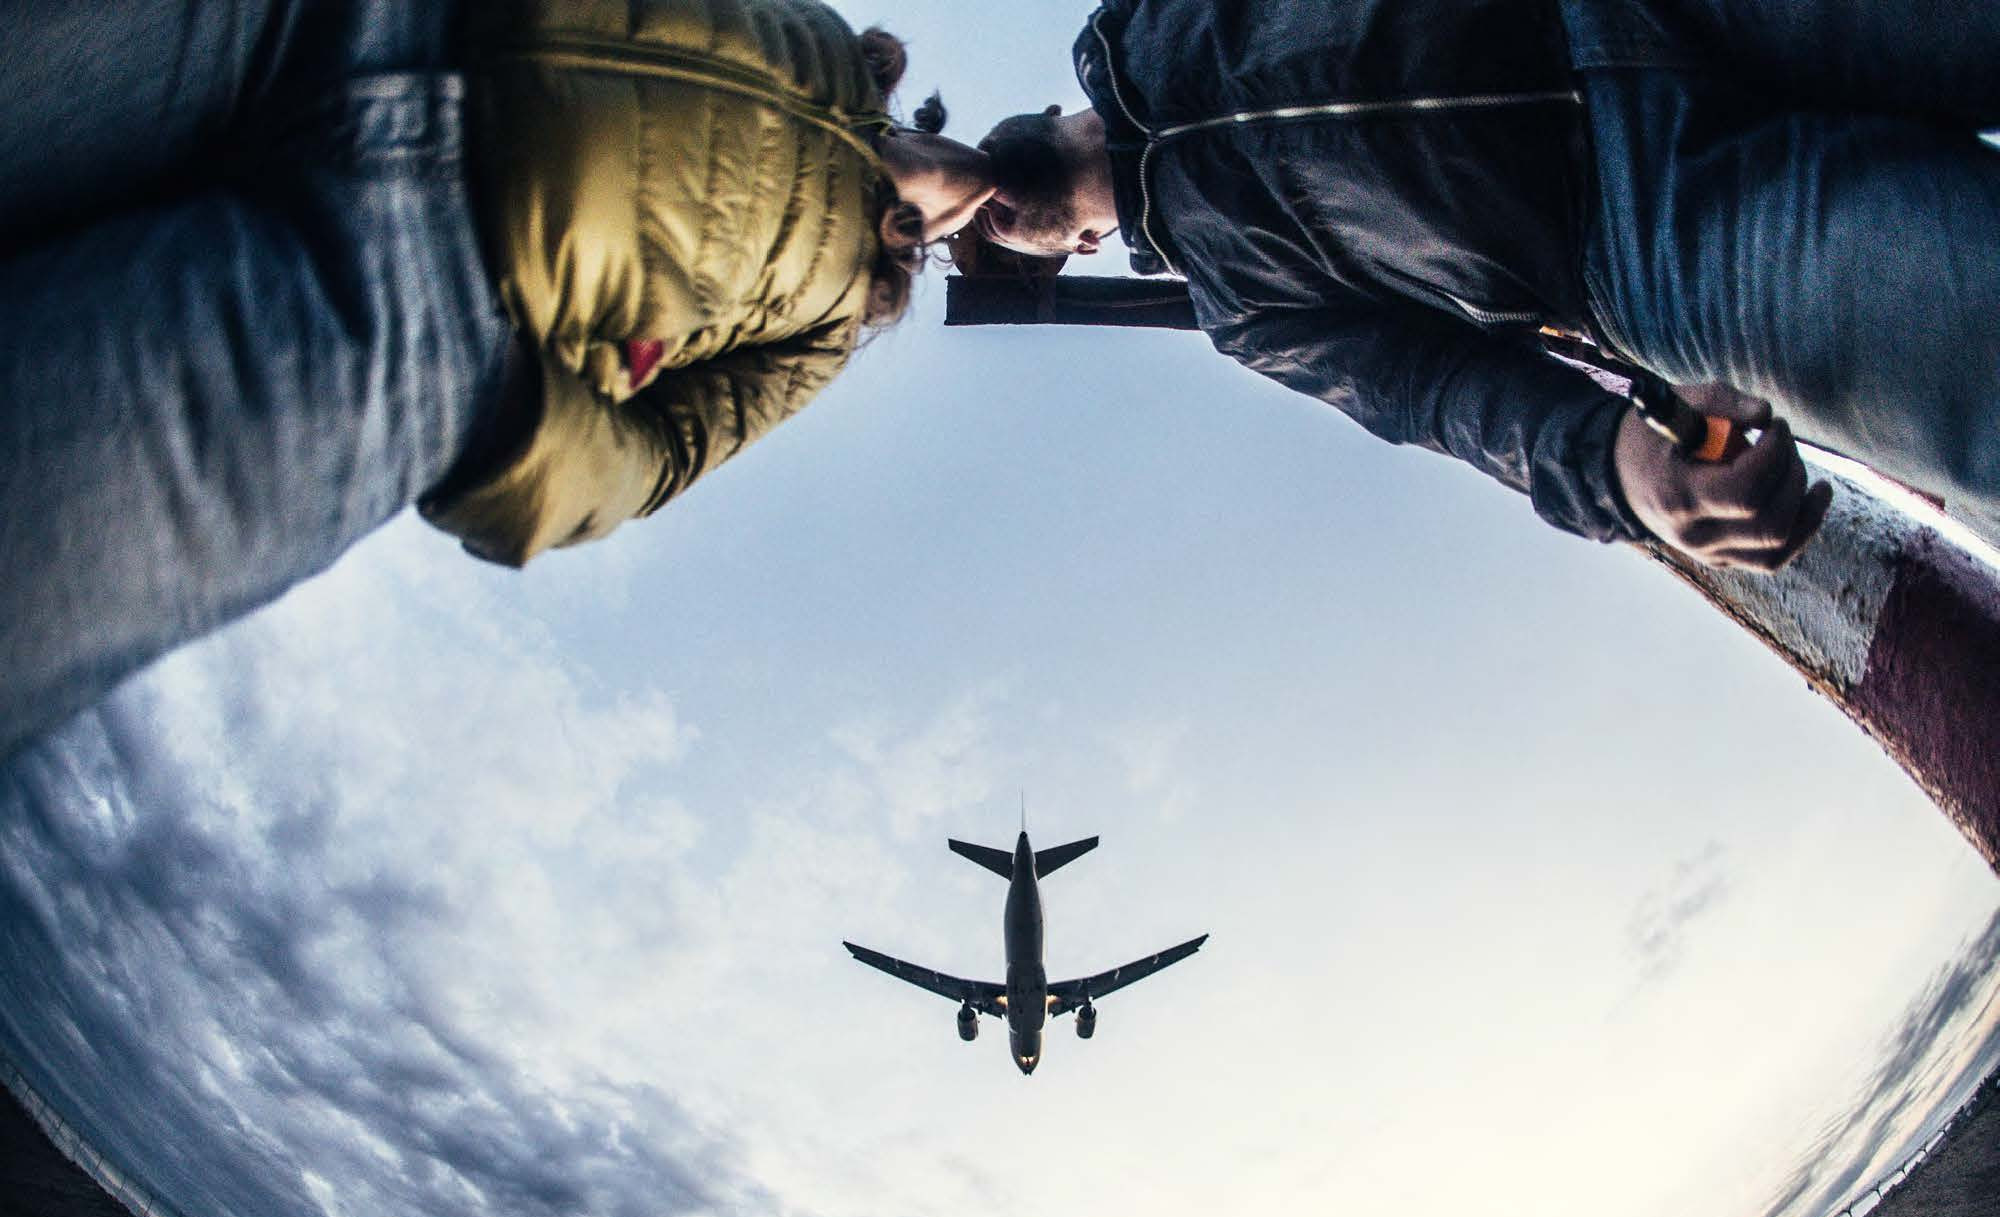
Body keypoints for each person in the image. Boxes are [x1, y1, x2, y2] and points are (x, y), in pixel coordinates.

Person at [0, 0, 999, 760]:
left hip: (413, 317)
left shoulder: (830, 318)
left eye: (1066, 237)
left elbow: (663, 454)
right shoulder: (823, 37)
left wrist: (505, 418)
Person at [966, 0, 2000, 570]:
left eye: (962, 214)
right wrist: (1612, 469)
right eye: (986, 249)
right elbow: (1435, 394)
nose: (984, 225)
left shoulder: (1140, 15)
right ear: (1079, 250)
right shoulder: (1243, 313)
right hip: (1656, 243)